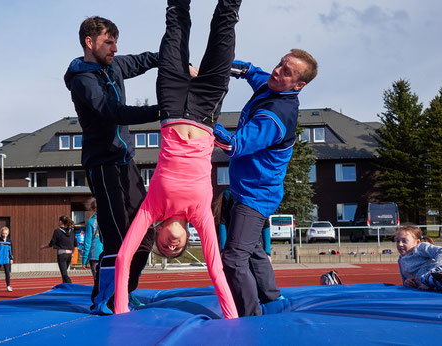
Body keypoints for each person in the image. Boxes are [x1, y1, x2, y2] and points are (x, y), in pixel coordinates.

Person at [115, 0, 242, 320]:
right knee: (225, 25)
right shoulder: (201, 215)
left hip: (171, 105)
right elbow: (215, 268)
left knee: (176, 21)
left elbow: (123, 259)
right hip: (206, 109)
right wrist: (232, 319)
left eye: (165, 247)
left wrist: (121, 311)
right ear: (186, 237)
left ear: (157, 234)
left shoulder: (151, 208)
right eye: (177, 249)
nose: (171, 246)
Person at [64, 16, 159, 314]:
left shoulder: (114, 65)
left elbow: (142, 60)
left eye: (116, 42)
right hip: (103, 164)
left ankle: (125, 291)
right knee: (117, 236)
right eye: (109, 42)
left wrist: (171, 58)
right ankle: (103, 298)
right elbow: (111, 111)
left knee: (145, 233)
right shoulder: (84, 80)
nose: (115, 48)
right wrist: (160, 110)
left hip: (126, 162)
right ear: (89, 42)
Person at [213, 50, 318, 316]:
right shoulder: (270, 84)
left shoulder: (275, 116)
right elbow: (247, 69)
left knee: (235, 259)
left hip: (256, 196)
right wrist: (209, 69)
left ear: (298, 85)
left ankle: (251, 316)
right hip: (245, 188)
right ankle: (272, 301)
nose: (277, 71)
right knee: (254, 248)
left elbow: (234, 145)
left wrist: (202, 122)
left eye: (287, 71)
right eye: (280, 64)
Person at [396, 225, 442, 290]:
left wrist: (433, 273)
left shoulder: (420, 248)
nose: (400, 244)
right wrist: (407, 282)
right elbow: (404, 282)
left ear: (417, 242)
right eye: (397, 241)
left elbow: (440, 251)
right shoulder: (400, 260)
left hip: (436, 275)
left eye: (404, 241)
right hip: (429, 286)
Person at [40, 216, 78, 284]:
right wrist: (72, 254)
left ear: (60, 222)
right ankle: (65, 288)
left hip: (62, 254)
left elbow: (52, 243)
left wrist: (44, 246)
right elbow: (75, 245)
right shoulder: (72, 231)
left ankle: (70, 285)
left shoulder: (57, 231)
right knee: (64, 273)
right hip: (69, 254)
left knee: (64, 274)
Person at [82, 200, 104, 304]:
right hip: (107, 253)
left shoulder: (91, 222)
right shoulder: (107, 219)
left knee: (97, 280)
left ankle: (97, 301)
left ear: (92, 209)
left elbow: (87, 242)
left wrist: (84, 259)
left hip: (95, 254)